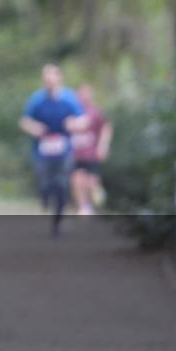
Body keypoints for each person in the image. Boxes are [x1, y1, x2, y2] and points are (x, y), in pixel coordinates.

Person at [19, 64, 88, 237]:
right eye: (46, 77)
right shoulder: (37, 99)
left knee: (62, 184)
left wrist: (74, 124)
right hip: (42, 151)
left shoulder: (69, 98)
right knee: (44, 182)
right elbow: (24, 121)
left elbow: (84, 120)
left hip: (63, 150)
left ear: (59, 77)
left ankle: (58, 222)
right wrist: (35, 128)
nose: (49, 80)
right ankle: (44, 198)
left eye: (52, 76)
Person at [69, 84, 112, 215]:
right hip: (75, 153)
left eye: (87, 94)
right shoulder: (71, 111)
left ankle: (94, 198)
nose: (84, 97)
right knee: (76, 180)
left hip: (91, 154)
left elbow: (106, 127)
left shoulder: (95, 112)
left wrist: (103, 146)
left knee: (91, 182)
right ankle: (83, 207)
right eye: (81, 94)